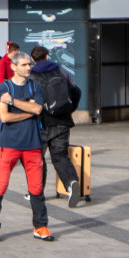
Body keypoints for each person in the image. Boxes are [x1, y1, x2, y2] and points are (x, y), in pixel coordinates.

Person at [0, 50, 50, 242]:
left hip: (33, 144)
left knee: (36, 187)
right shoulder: (3, 87)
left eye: (30, 64)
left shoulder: (35, 87)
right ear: (14, 67)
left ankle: (41, 226)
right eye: (24, 65)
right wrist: (28, 110)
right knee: (0, 185)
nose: (29, 67)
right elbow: (4, 117)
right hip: (9, 144)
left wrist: (13, 102)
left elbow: (38, 108)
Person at [27, 44, 84, 205]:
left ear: (32, 59)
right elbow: (76, 91)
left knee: (38, 158)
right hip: (62, 121)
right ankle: (72, 183)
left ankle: (36, 192)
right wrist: (69, 109)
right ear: (47, 56)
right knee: (60, 157)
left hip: (41, 123)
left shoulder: (31, 76)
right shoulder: (60, 70)